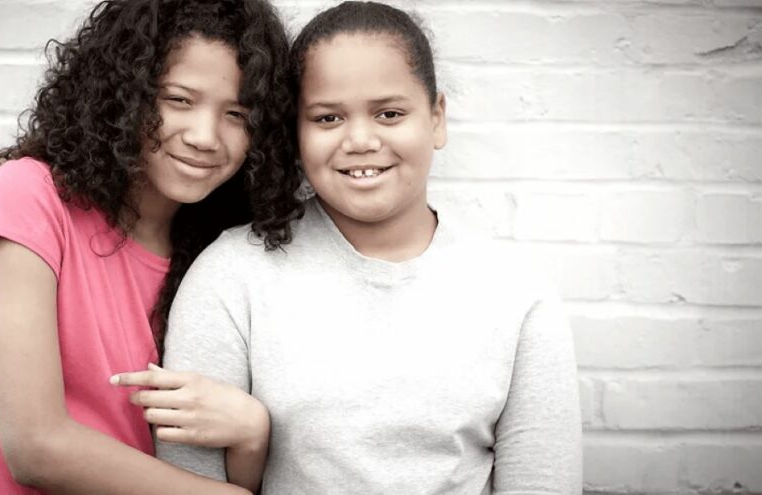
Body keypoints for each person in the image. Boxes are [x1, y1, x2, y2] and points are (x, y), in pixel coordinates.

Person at [120, 1, 582, 493]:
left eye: (389, 113)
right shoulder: (232, 277)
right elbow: (190, 479)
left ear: (437, 118)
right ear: (295, 132)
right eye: (327, 118)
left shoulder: (516, 296)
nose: (360, 139)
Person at [0, 0, 302, 492]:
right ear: (124, 94)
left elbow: (209, 455)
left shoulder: (224, 252)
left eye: (237, 113)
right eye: (178, 100)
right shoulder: (31, 197)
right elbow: (35, 447)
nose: (205, 137)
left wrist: (252, 434)